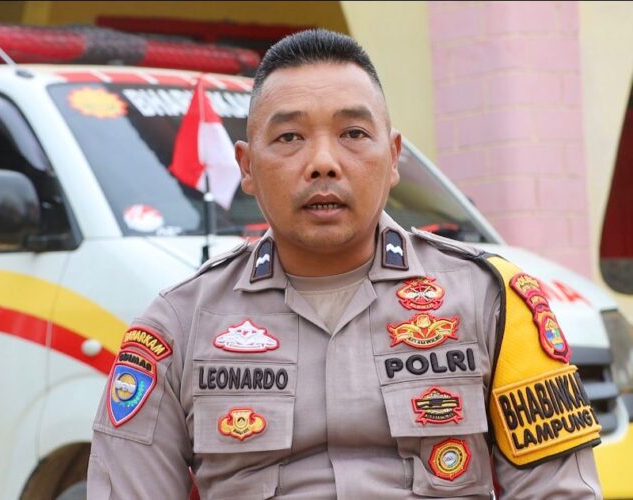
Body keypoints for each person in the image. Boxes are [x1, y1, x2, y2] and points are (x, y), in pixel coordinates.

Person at [88, 29, 602, 499]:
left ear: (393, 156)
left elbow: (559, 492)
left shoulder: (492, 301)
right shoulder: (176, 326)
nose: (323, 163)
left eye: (353, 133)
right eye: (289, 137)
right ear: (246, 167)